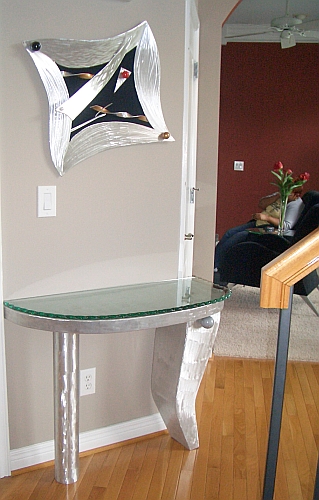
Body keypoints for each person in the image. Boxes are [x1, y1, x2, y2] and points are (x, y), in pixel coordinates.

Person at [214, 187, 304, 272]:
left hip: (268, 228)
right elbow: (261, 204)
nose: (284, 193)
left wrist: (267, 218)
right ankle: (214, 262)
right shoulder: (280, 196)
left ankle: (217, 264)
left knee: (238, 236)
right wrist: (277, 196)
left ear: (296, 195)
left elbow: (286, 225)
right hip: (258, 223)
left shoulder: (295, 205)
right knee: (229, 233)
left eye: (288, 192)